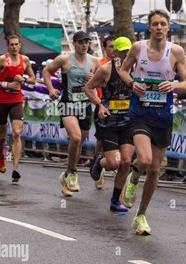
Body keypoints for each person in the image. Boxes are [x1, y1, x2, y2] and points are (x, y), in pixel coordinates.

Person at [118, 9, 186, 235]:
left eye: (163, 24)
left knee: (155, 169)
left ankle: (141, 215)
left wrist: (174, 86)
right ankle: (133, 176)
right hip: (140, 112)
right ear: (149, 27)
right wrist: (132, 84)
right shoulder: (138, 48)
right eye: (155, 24)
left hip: (163, 115)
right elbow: (122, 70)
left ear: (168, 28)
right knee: (146, 159)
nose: (159, 27)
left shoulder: (176, 52)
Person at [43, 31, 100, 197]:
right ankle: (74, 173)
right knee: (75, 138)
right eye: (81, 42)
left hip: (85, 106)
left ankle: (67, 174)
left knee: (80, 141)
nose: (84, 45)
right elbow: (47, 71)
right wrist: (51, 89)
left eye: (87, 42)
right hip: (68, 104)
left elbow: (102, 80)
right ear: (74, 43)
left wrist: (94, 77)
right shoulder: (64, 59)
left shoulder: (95, 61)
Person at [83, 37, 135, 213]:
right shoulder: (106, 69)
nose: (127, 54)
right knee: (114, 163)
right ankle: (99, 161)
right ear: (115, 52)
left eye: (129, 50)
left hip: (128, 121)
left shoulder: (138, 69)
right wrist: (99, 104)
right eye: (122, 51)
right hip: (109, 121)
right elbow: (88, 87)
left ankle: (115, 200)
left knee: (126, 162)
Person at [0, 34, 36, 182]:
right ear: (8, 46)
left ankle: (15, 168)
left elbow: (33, 79)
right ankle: (2, 156)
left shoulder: (25, 60)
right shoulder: (2, 60)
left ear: (20, 45)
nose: (15, 47)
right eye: (12, 45)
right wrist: (5, 84)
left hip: (17, 100)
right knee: (3, 136)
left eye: (17, 44)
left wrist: (23, 79)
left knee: (17, 132)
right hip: (2, 101)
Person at [93, 35, 117, 190]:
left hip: (120, 108)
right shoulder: (100, 65)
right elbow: (89, 84)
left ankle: (113, 162)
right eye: (110, 47)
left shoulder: (123, 65)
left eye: (116, 47)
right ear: (104, 48)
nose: (114, 50)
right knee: (100, 140)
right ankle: (98, 165)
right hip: (103, 105)